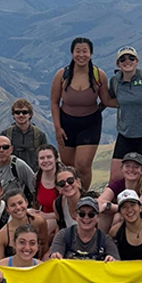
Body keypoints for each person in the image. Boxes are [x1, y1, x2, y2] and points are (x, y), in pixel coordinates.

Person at [50, 37, 114, 190]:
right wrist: (58, 128)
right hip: (66, 123)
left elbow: (106, 100)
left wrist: (131, 101)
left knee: (83, 165)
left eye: (85, 51)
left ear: (91, 54)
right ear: (72, 53)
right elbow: (54, 102)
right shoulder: (62, 75)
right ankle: (69, 196)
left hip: (90, 124)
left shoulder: (99, 75)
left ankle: (83, 197)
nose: (81, 55)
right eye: (77, 51)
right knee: (68, 167)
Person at [108, 46, 142, 180]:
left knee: (140, 179)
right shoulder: (115, 82)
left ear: (137, 60)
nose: (127, 61)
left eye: (131, 58)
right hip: (126, 134)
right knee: (115, 178)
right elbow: (110, 99)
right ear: (118, 63)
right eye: (123, 59)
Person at [49, 196, 119, 261]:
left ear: (98, 217)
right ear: (75, 216)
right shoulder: (63, 235)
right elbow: (54, 260)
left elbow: (117, 264)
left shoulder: (105, 240)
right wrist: (55, 256)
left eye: (91, 214)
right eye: (82, 214)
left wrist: (111, 260)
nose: (86, 217)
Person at [97, 152, 142, 232]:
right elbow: (99, 202)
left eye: (136, 167)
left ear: (141, 170)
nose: (131, 170)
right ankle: (101, 240)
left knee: (118, 217)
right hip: (127, 214)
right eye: (127, 166)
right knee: (107, 213)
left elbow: (137, 207)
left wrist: (111, 206)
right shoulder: (118, 184)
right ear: (122, 169)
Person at [0, 190, 49, 262]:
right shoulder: (1, 236)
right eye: (13, 205)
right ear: (7, 209)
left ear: (26, 202)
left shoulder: (39, 222)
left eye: (20, 203)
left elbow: (44, 245)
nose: (18, 207)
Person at [0, 98, 48, 171]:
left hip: (34, 175)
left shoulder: (39, 135)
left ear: (30, 114)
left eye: (24, 112)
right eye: (17, 112)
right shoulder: (6, 135)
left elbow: (45, 157)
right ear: (13, 115)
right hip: (12, 176)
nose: (21, 115)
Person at [34, 144, 61, 235]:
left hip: (60, 218)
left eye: (49, 157)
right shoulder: (36, 178)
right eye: (42, 158)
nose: (46, 161)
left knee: (39, 232)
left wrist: (46, 216)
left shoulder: (64, 178)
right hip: (43, 216)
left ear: (56, 159)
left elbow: (70, 210)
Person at [51, 166, 84, 230]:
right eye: (61, 183)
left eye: (70, 180)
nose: (66, 184)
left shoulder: (90, 200)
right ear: (58, 189)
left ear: (78, 182)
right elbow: (61, 228)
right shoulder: (58, 204)